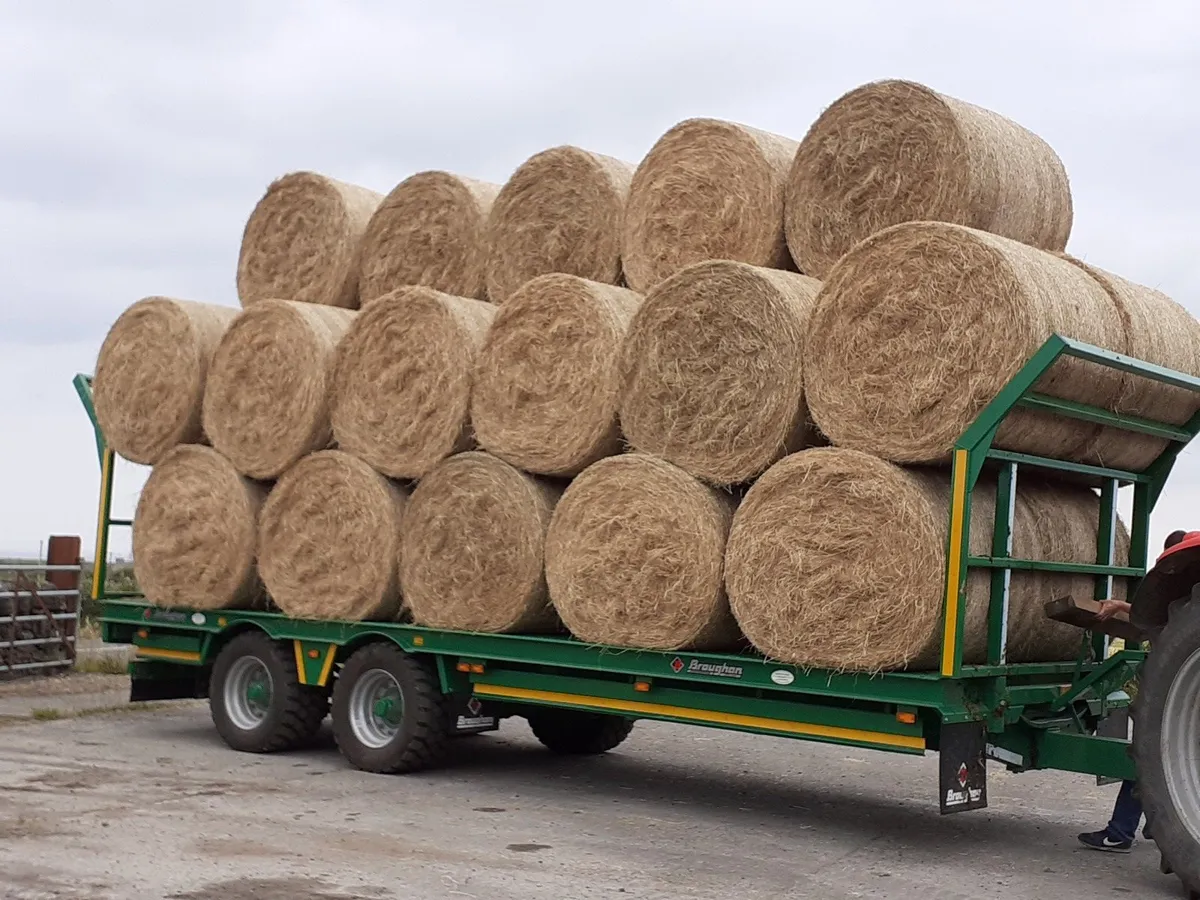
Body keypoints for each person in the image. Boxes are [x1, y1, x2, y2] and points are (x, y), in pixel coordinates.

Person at [1076, 529, 1188, 853]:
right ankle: (1155, 824)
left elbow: (1162, 625)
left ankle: (1121, 832)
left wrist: (1119, 606)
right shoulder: (1184, 603)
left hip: (1178, 704)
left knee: (1147, 757)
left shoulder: (1181, 600)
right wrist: (1121, 607)